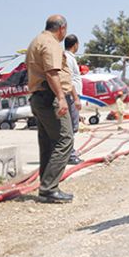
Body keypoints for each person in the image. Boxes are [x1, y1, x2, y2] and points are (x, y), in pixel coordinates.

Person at [26, 15, 80, 203]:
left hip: (39, 97)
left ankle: (46, 185)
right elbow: (51, 72)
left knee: (48, 143)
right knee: (65, 139)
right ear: (62, 29)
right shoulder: (51, 44)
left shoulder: (36, 41)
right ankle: (49, 188)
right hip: (50, 97)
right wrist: (61, 98)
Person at [63, 34, 83, 165]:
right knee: (71, 127)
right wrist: (75, 98)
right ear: (75, 44)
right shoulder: (68, 59)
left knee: (72, 126)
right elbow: (68, 79)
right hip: (70, 96)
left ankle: (70, 151)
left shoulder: (69, 58)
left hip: (71, 96)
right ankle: (69, 155)